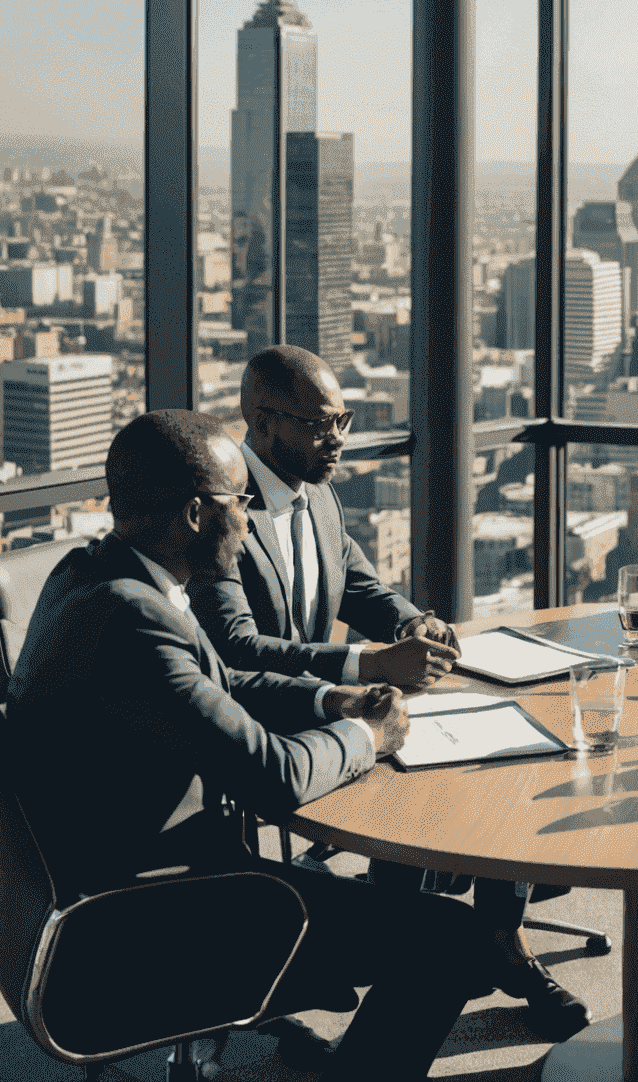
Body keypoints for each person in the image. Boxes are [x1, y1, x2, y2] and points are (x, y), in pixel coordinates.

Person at [2, 410, 483, 1082]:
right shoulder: (136, 621)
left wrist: (331, 701)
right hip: (151, 924)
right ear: (198, 514)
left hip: (80, 894)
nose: (251, 520)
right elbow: (275, 778)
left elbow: (223, 680)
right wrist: (365, 735)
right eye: (242, 502)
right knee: (450, 939)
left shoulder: (90, 574)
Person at [187, 344, 589, 1043]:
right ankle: (417, 937)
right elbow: (236, 651)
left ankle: (497, 932)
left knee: (500, 746)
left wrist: (411, 622)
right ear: (261, 421)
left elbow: (359, 584)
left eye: (342, 419)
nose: (337, 437)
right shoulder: (223, 512)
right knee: (432, 765)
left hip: (336, 704)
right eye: (319, 424)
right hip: (265, 720)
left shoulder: (318, 490)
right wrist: (367, 667)